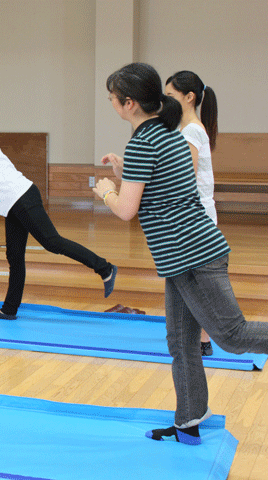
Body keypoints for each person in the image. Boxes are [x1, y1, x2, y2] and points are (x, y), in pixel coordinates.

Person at [94, 62, 268, 445]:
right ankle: (189, 420)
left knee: (233, 336)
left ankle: (190, 417)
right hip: (183, 257)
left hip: (193, 255)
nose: (111, 104)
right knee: (181, 341)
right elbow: (160, 189)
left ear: (129, 104)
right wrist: (125, 173)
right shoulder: (170, 135)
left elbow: (126, 209)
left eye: (111, 99)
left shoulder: (143, 141)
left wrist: (106, 189)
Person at [0, 110, 117, 320]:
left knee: (52, 242)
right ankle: (9, 309)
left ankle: (105, 268)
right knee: (14, 256)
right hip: (10, 205)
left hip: (21, 196)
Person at [165, 70, 220, 356]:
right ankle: (200, 339)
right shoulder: (192, 129)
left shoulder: (192, 131)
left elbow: (184, 176)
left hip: (196, 219)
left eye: (171, 96)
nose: (166, 101)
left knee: (196, 283)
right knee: (192, 281)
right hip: (199, 216)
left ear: (189, 98)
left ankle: (203, 340)